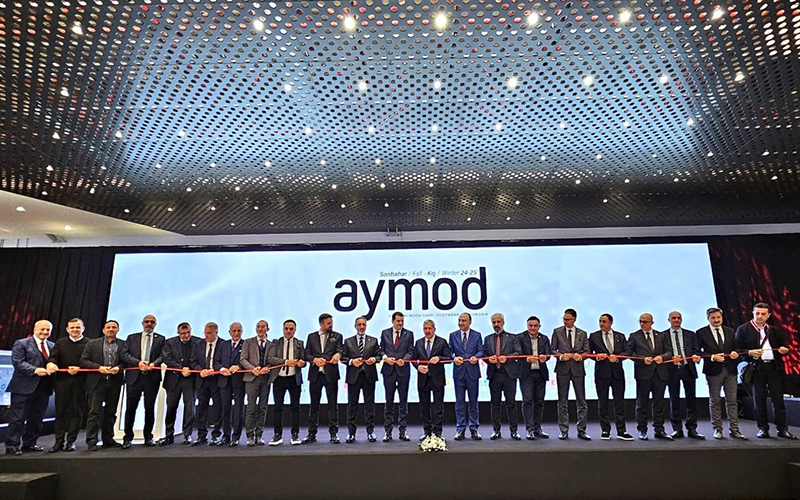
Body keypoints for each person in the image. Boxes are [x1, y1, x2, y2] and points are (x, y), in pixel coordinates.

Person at [735, 302, 797, 439]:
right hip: (756, 368)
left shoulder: (773, 330)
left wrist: (783, 350)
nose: (760, 316)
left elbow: (782, 347)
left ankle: (782, 429)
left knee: (778, 400)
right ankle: (763, 428)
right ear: (752, 313)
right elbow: (737, 350)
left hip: (774, 368)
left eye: (763, 314)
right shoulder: (743, 329)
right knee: (759, 400)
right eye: (757, 313)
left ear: (768, 315)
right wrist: (749, 352)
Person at [4, 319, 55, 456]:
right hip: (23, 388)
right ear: (34, 329)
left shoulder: (52, 346)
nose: (45, 332)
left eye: (48, 330)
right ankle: (12, 445)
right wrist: (35, 370)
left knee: (36, 418)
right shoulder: (21, 343)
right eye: (42, 329)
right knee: (17, 418)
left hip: (44, 388)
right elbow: (18, 363)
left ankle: (30, 444)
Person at [696, 308, 747, 440]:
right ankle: (717, 429)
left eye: (718, 317)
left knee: (732, 401)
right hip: (713, 370)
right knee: (715, 401)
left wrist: (735, 353)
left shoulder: (730, 331)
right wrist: (712, 357)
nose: (716, 320)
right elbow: (697, 352)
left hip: (730, 370)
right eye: (713, 318)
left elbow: (737, 348)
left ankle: (734, 429)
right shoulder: (701, 332)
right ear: (708, 318)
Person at [120, 314, 165, 449]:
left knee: (149, 408)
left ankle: (148, 436)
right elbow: (124, 354)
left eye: (152, 322)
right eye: (147, 321)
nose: (149, 324)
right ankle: (127, 437)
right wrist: (138, 363)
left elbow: (163, 355)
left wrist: (154, 364)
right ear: (142, 323)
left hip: (152, 378)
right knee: (130, 408)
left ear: (155, 324)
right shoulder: (132, 338)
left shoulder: (161, 339)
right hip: (134, 378)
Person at [46, 318, 90, 452]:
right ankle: (58, 442)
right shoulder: (60, 343)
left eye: (78, 327)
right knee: (60, 412)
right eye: (72, 327)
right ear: (67, 329)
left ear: (83, 328)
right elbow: (53, 357)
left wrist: (80, 368)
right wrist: (51, 363)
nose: (75, 330)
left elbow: (91, 362)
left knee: (76, 412)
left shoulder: (89, 343)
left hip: (80, 382)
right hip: (62, 382)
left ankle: (71, 442)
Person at [81, 320, 126, 451]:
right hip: (97, 382)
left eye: (114, 327)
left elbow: (126, 361)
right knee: (94, 413)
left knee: (111, 412)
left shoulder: (123, 344)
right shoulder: (92, 343)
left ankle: (108, 439)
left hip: (114, 382)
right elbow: (83, 361)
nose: (111, 329)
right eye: (108, 327)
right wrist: (98, 367)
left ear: (118, 329)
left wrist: (119, 367)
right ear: (103, 330)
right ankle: (91, 441)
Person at [628, 313, 673, 440]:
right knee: (642, 403)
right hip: (643, 374)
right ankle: (642, 430)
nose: (642, 324)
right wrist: (642, 359)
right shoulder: (634, 336)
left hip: (660, 374)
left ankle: (659, 429)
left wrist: (662, 357)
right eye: (640, 321)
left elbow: (669, 352)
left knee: (659, 403)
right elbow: (629, 353)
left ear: (652, 323)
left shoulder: (661, 335)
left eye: (645, 322)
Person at [588, 313, 634, 441]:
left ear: (610, 322)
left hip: (617, 374)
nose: (601, 324)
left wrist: (618, 358)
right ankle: (605, 430)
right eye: (600, 321)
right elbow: (588, 352)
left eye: (604, 321)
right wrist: (597, 357)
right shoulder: (594, 336)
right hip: (601, 373)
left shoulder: (620, 336)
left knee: (619, 403)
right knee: (603, 403)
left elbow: (628, 351)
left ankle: (621, 430)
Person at [340, 316, 383, 443]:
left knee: (369, 405)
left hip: (369, 376)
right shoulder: (348, 341)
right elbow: (342, 358)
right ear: (355, 326)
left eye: (363, 324)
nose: (362, 327)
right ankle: (351, 433)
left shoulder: (373, 340)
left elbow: (379, 355)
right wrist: (352, 361)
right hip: (354, 377)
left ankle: (370, 432)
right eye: (359, 325)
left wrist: (374, 359)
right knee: (352, 405)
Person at [303, 313, 343, 444]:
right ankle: (311, 433)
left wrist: (338, 355)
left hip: (331, 374)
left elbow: (341, 350)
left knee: (333, 405)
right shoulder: (312, 337)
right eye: (328, 323)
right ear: (321, 324)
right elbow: (306, 354)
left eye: (331, 323)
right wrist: (314, 359)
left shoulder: (337, 336)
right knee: (314, 405)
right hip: (316, 375)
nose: (331, 325)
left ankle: (334, 433)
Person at [551, 308, 590, 440]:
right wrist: (561, 356)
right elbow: (552, 349)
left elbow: (587, 351)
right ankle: (563, 430)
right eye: (564, 319)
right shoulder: (557, 331)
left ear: (574, 319)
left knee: (581, 401)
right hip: (562, 369)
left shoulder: (582, 333)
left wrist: (581, 357)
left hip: (578, 369)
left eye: (568, 319)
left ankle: (581, 430)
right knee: (562, 401)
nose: (565, 321)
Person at [159, 321, 201, 445]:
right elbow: (166, 358)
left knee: (190, 409)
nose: (186, 335)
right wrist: (181, 368)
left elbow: (199, 358)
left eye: (188, 332)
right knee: (171, 408)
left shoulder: (198, 342)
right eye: (183, 333)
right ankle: (168, 435)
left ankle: (187, 435)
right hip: (173, 380)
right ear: (178, 333)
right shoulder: (170, 342)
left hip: (190, 380)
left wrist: (190, 369)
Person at [664, 311, 703, 439]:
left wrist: (697, 356)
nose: (676, 320)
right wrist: (670, 358)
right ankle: (677, 429)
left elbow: (697, 350)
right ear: (669, 320)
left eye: (678, 318)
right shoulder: (663, 335)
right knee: (674, 400)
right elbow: (662, 353)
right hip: (672, 370)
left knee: (691, 400)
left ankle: (692, 428)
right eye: (673, 318)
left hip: (688, 369)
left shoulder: (690, 334)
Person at [267, 319, 306, 446]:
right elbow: (271, 359)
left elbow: (304, 360)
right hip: (279, 378)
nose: (288, 331)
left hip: (294, 378)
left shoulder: (299, 343)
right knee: (278, 407)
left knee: (295, 407)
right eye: (286, 328)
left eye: (291, 329)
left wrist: (302, 363)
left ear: (295, 330)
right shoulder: (276, 342)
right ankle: (277, 435)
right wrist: (285, 362)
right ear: (283, 329)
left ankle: (295, 434)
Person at [189, 322, 229, 446]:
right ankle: (201, 435)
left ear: (216, 333)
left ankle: (216, 435)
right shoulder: (198, 344)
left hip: (217, 380)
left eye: (209, 333)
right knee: (202, 407)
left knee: (217, 408)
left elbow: (225, 361)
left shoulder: (224, 344)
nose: (206, 335)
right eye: (205, 333)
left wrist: (218, 369)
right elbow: (193, 361)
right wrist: (200, 370)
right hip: (202, 380)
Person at [483, 313, 521, 440]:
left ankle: (514, 431)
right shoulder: (488, 338)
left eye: (498, 322)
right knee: (495, 404)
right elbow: (484, 355)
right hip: (494, 375)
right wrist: (489, 359)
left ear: (503, 322)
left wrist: (507, 358)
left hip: (509, 375)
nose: (496, 324)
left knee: (511, 404)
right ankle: (496, 430)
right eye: (494, 322)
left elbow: (518, 353)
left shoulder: (513, 337)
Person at [413, 319, 452, 440]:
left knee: (438, 408)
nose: (427, 331)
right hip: (423, 379)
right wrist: (418, 367)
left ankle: (438, 433)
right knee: (424, 407)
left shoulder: (442, 342)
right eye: (425, 329)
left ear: (434, 329)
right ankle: (427, 432)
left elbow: (449, 358)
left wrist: (439, 358)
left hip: (437, 379)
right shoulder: (418, 342)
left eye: (429, 328)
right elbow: (413, 359)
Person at [379, 311, 414, 442]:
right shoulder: (385, 333)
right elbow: (381, 349)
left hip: (403, 370)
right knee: (389, 401)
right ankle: (388, 431)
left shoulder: (409, 334)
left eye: (402, 321)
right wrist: (385, 358)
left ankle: (402, 431)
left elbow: (411, 350)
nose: (400, 323)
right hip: (389, 370)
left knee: (403, 401)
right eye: (398, 321)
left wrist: (404, 360)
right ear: (393, 321)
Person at [448, 312, 484, 441]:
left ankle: (474, 429)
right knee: (460, 403)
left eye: (463, 320)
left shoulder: (477, 335)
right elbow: (450, 351)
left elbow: (481, 350)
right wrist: (454, 357)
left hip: (472, 373)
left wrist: (476, 357)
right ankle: (460, 429)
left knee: (473, 402)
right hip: (459, 373)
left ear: (470, 322)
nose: (461, 323)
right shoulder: (453, 335)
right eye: (459, 320)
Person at [518, 316, 551, 440]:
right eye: (530, 325)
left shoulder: (544, 338)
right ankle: (529, 429)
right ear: (527, 326)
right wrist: (526, 359)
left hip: (540, 373)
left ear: (539, 326)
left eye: (535, 326)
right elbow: (517, 354)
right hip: (526, 374)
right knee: (527, 401)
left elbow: (548, 354)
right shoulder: (520, 337)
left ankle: (538, 428)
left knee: (539, 401)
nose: (532, 328)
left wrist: (545, 358)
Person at [240, 320, 272, 446]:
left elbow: (272, 360)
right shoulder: (248, 342)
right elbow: (243, 359)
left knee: (262, 408)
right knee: (251, 408)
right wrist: (253, 369)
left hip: (265, 379)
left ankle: (259, 435)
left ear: (267, 329)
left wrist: (267, 368)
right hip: (251, 378)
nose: (260, 329)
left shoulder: (271, 344)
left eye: (263, 327)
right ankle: (250, 435)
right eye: (258, 327)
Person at [223, 322, 245, 446]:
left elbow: (248, 360)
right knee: (225, 409)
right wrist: (222, 368)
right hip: (224, 381)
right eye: (234, 331)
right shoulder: (224, 344)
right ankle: (225, 436)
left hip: (239, 381)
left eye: (239, 331)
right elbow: (217, 360)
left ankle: (236, 436)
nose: (236, 333)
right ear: (229, 332)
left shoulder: (246, 344)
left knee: (238, 409)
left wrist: (239, 366)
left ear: (242, 332)